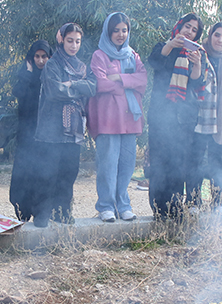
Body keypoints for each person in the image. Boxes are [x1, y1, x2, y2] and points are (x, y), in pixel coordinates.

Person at [32, 23, 97, 227]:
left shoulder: (82, 67)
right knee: (47, 175)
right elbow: (54, 91)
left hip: (74, 131)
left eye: (77, 41)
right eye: (70, 40)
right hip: (51, 130)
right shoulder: (52, 64)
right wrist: (78, 88)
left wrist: (72, 85)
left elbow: (93, 87)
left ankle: (62, 213)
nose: (74, 45)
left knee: (68, 175)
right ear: (61, 39)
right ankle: (42, 216)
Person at [88, 12, 148, 222]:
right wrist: (127, 83)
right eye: (116, 30)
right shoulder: (99, 55)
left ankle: (123, 205)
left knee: (127, 165)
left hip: (130, 118)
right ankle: (105, 206)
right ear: (108, 32)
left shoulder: (133, 55)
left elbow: (143, 80)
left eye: (124, 30)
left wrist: (119, 78)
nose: (121, 34)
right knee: (107, 164)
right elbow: (100, 84)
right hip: (108, 119)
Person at [147, 13, 207, 220]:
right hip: (160, 115)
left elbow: (198, 84)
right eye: (187, 27)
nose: (189, 32)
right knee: (158, 163)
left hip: (184, 118)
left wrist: (197, 64)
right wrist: (171, 45)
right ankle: (158, 208)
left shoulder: (199, 53)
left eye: (194, 30)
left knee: (177, 164)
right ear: (179, 26)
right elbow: (155, 62)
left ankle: (174, 208)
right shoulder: (164, 47)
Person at [191, 22, 222, 210]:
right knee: (196, 161)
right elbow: (194, 82)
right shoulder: (200, 54)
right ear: (210, 35)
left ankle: (217, 201)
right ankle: (194, 202)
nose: (220, 40)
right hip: (201, 116)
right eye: (217, 35)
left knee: (218, 162)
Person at [10, 40, 52, 221]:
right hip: (26, 138)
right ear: (31, 58)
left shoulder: (52, 77)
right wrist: (27, 74)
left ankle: (42, 213)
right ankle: (22, 213)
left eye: (44, 57)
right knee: (23, 176)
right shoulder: (24, 77)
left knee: (43, 176)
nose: (41, 61)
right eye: (37, 56)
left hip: (47, 138)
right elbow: (19, 93)